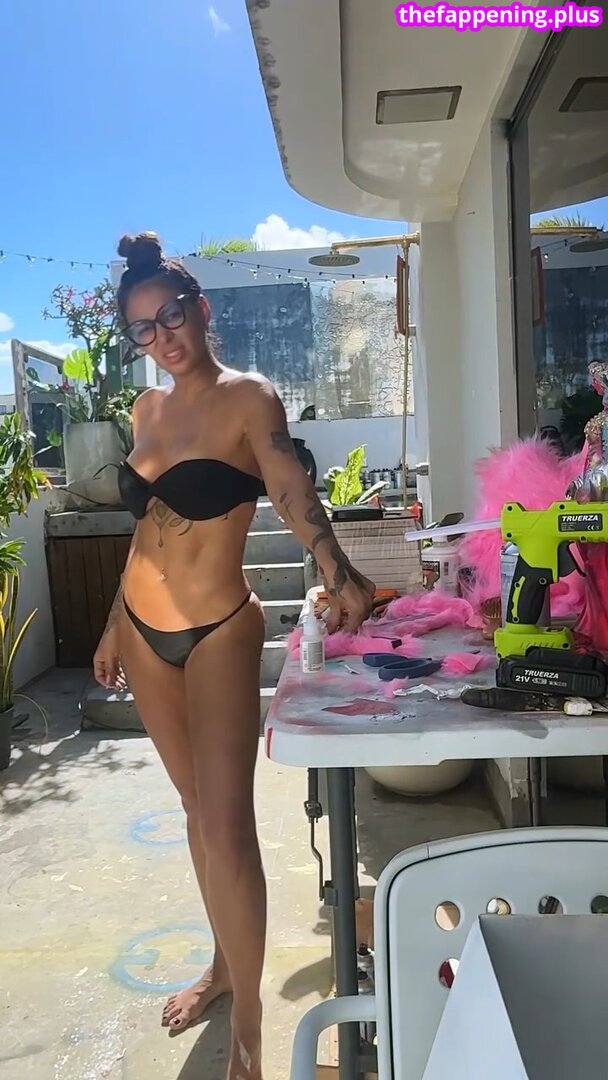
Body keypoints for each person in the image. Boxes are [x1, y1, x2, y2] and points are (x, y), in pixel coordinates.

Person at [93, 233, 374, 1080]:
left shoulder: (248, 397)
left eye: (172, 316)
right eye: (143, 329)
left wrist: (336, 567)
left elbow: (288, 486)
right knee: (193, 812)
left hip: (218, 628)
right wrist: (111, 622)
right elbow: (146, 529)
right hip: (141, 631)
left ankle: (248, 1026)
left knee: (226, 824)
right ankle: (223, 966)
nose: (162, 337)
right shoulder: (144, 412)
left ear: (201, 309)